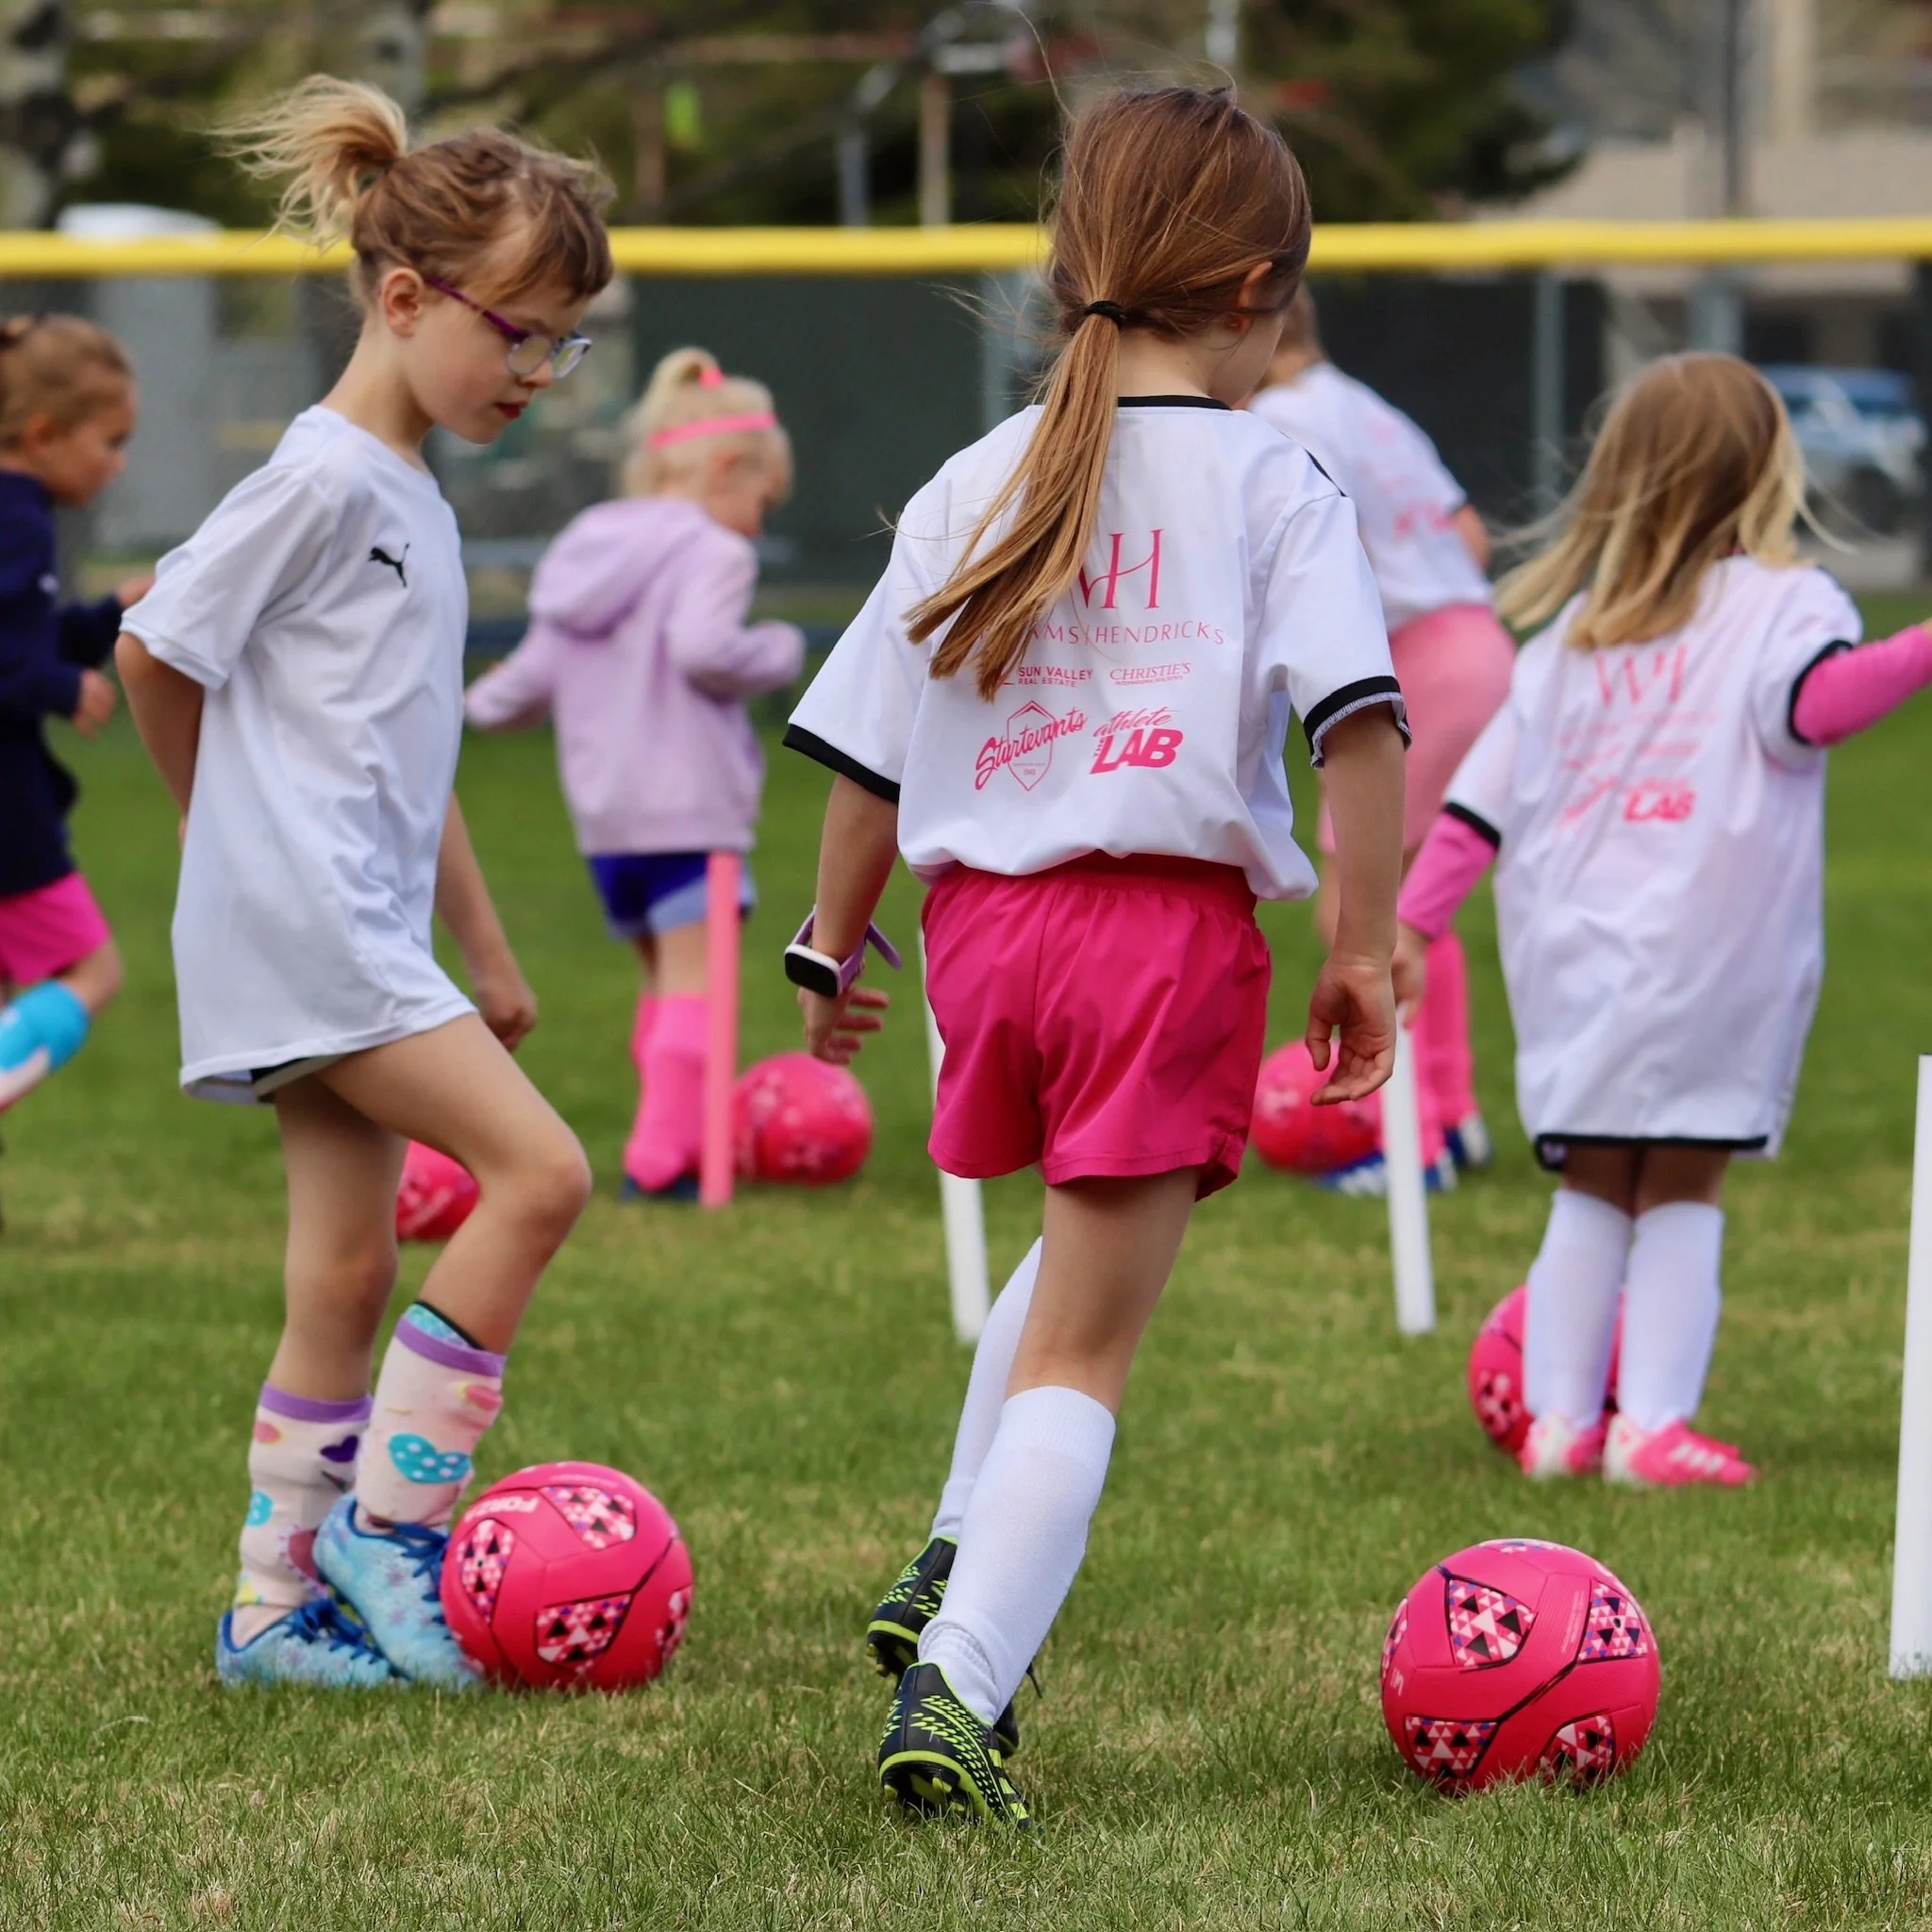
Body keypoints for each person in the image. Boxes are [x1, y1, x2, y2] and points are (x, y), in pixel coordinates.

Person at [783, 86, 1408, 1824]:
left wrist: (829, 947)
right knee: (1088, 1347)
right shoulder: (1278, 475)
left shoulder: (970, 476)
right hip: (1153, 933)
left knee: (1059, 1274)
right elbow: (1358, 726)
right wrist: (1360, 949)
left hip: (984, 937)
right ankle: (958, 1686)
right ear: (1254, 290)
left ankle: (949, 1551)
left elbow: (864, 748)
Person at [116, 75, 611, 1687]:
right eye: (517, 333)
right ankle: (389, 1529)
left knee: (342, 1269)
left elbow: (411, 758)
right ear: (403, 298)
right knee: (538, 1176)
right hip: (310, 925)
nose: (537, 370)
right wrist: (218, 833)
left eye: (561, 342)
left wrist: (480, 943)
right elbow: (154, 644)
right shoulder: (325, 478)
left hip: (352, 926)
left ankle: (269, 1608)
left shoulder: (410, 492)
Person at [1393, 351, 1932, 1488]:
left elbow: (1472, 810)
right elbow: (1815, 706)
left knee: (1590, 1186)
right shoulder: (1785, 608)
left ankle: (1554, 1428)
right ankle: (1649, 1425)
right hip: (1704, 961)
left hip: (1572, 970)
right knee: (1680, 1186)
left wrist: (1409, 927)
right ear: (1760, 477)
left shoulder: (1570, 642)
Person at [465, 346, 804, 1199]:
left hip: (608, 822)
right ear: (726, 467)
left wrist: (461, 706)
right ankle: (660, 1163)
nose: (757, 525)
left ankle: (674, 1133)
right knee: (697, 986)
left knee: (661, 986)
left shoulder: (587, 552)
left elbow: (524, 685)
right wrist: (778, 650)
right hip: (691, 811)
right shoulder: (714, 555)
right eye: (761, 502)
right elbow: (701, 649)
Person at [1250, 286, 1514, 1187]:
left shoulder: (1282, 419)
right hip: (1479, 644)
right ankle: (1455, 1112)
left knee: (1358, 907)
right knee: (1416, 906)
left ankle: (1418, 1136)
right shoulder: (1368, 404)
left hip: (1412, 668)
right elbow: (1469, 537)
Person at [0, 317, 148, 1146]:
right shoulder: (18, 521)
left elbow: (16, 637)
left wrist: (101, 620)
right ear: (44, 433)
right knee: (92, 970)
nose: (118, 462)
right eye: (111, 440)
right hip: (9, 815)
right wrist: (66, 684)